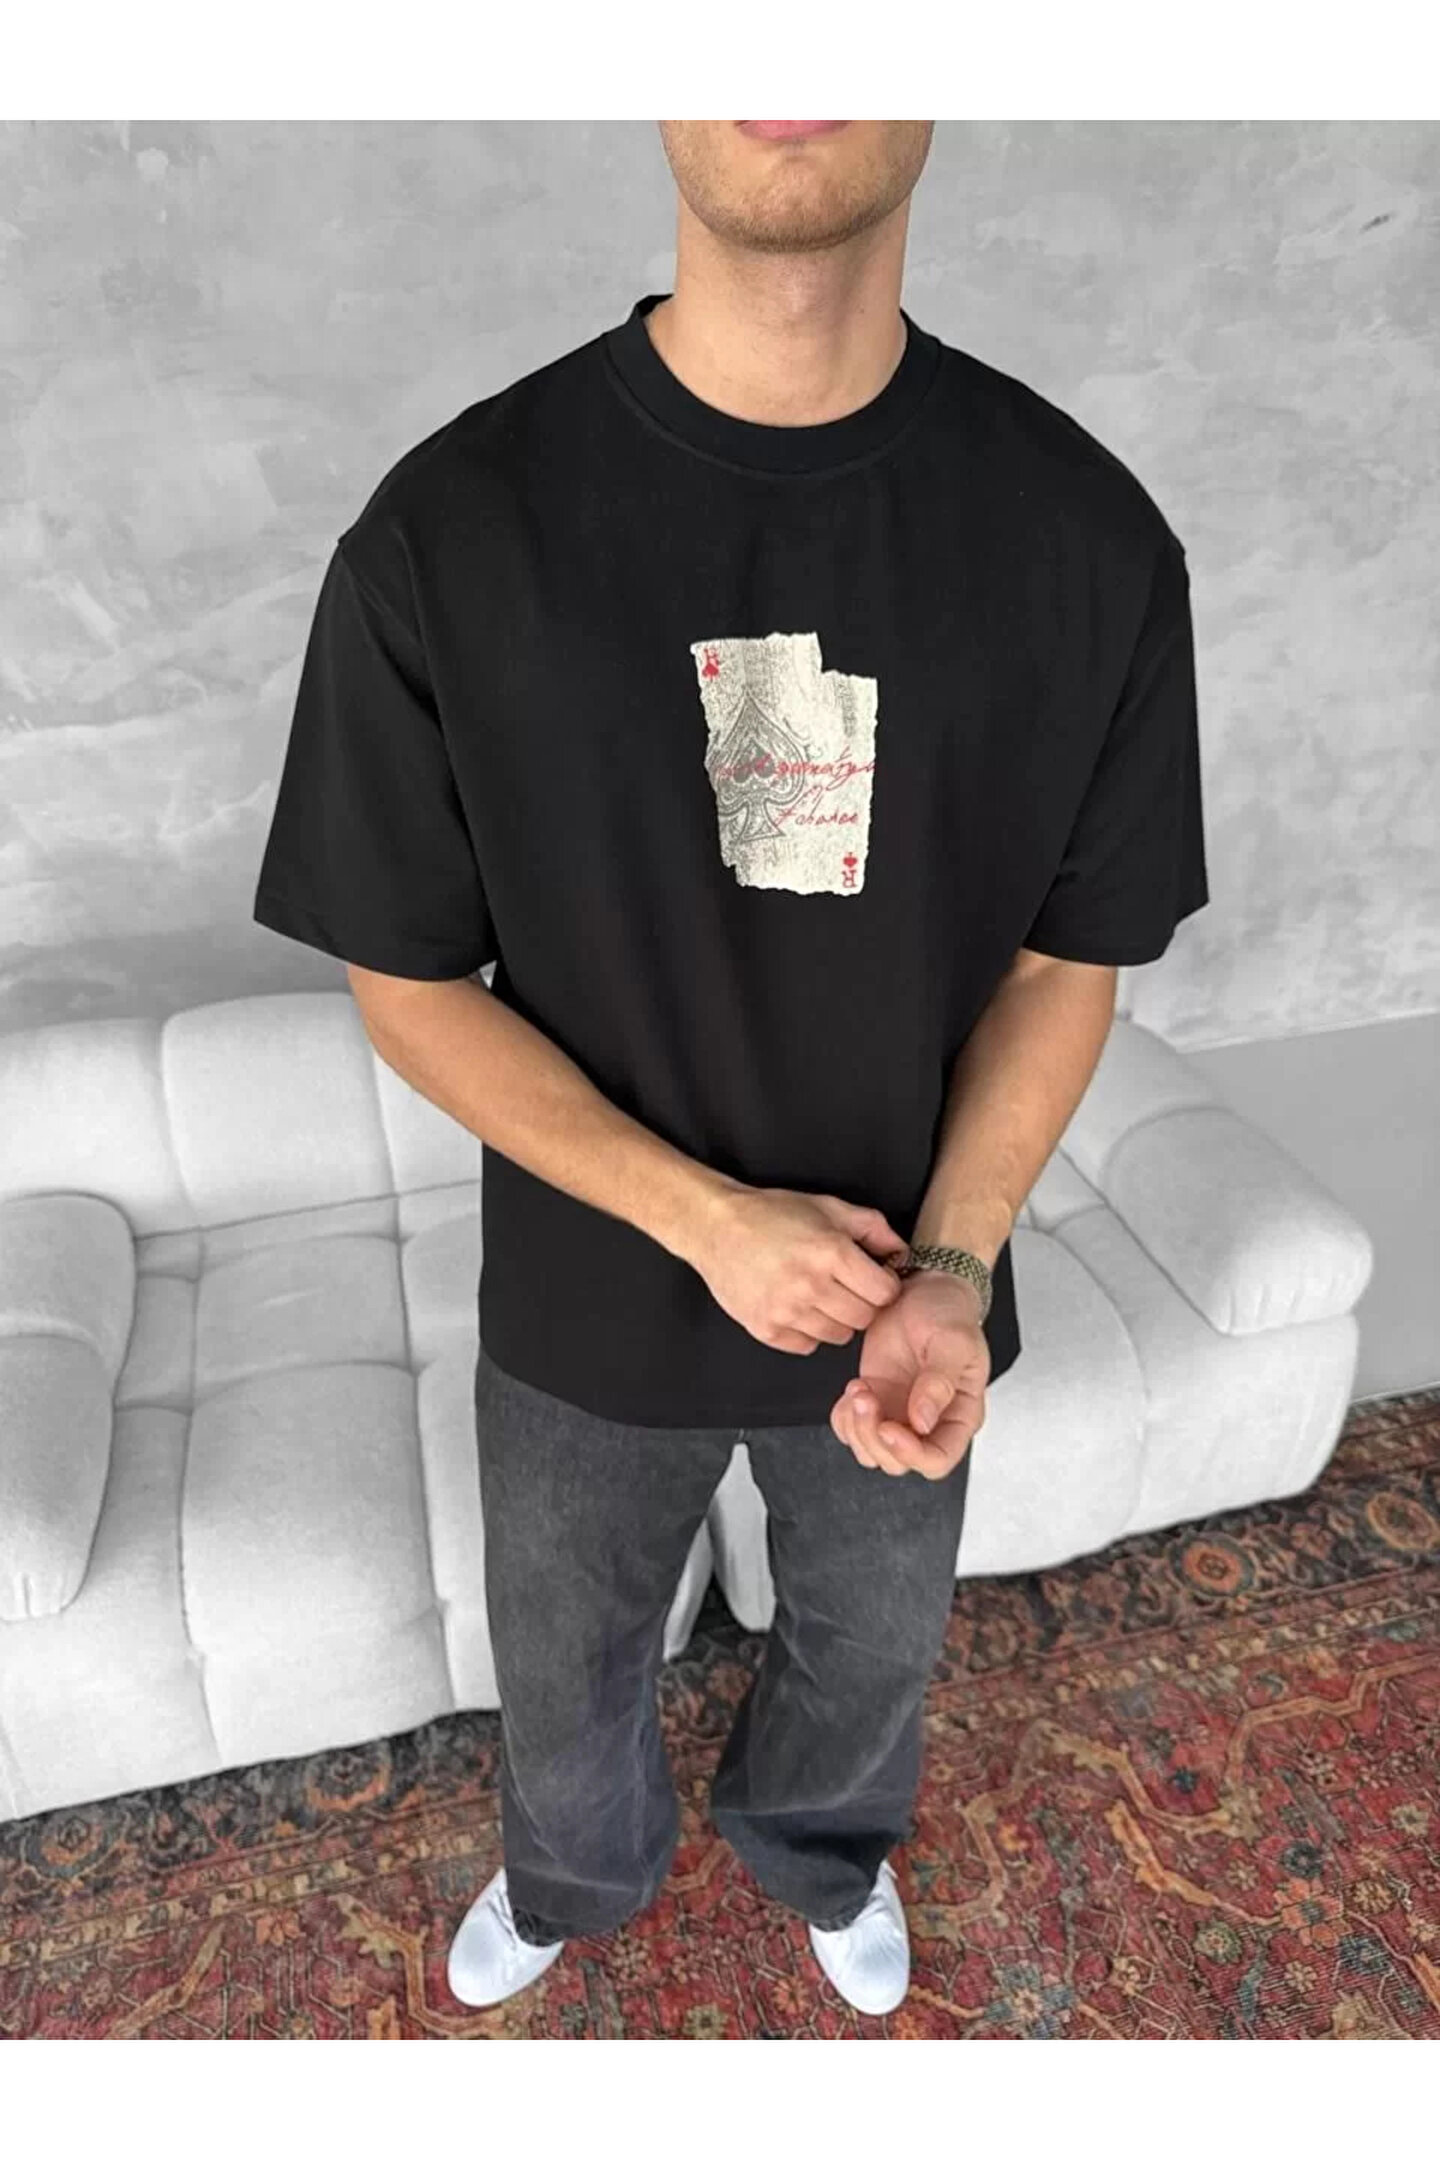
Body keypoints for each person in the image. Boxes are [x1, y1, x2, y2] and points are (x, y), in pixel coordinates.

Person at [252, 119, 1208, 2018]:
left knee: (874, 1644)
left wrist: (955, 1266)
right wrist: (705, 1222)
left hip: (905, 1294)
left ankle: (822, 1856)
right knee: (566, 1664)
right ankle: (571, 1880)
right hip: (588, 1294)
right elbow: (409, 983)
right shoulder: (451, 531)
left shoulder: (1088, 539)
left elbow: (1064, 963)